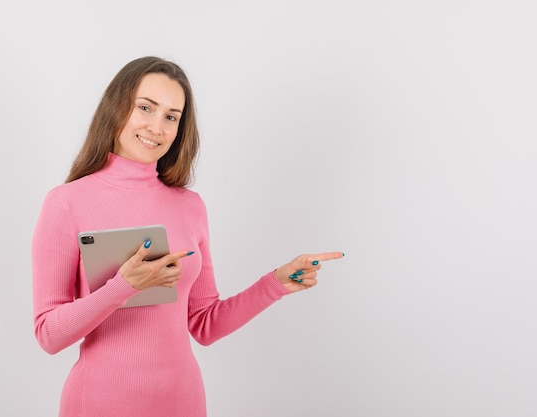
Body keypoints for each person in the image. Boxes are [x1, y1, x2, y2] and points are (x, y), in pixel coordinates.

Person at [32, 56, 344, 417]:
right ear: (116, 108)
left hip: (182, 401)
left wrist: (276, 283)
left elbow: (205, 323)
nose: (156, 126)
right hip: (100, 403)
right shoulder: (67, 203)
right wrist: (122, 286)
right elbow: (48, 336)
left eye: (171, 116)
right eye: (145, 107)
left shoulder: (190, 206)